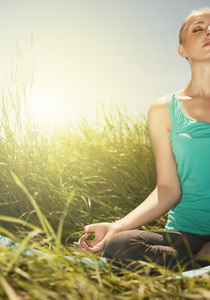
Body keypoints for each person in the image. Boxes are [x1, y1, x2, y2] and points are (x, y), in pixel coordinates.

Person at [73, 8, 210, 271]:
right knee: (122, 246)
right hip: (186, 235)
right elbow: (168, 188)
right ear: (182, 49)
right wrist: (117, 226)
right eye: (198, 28)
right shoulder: (163, 109)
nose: (208, 31)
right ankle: (202, 260)